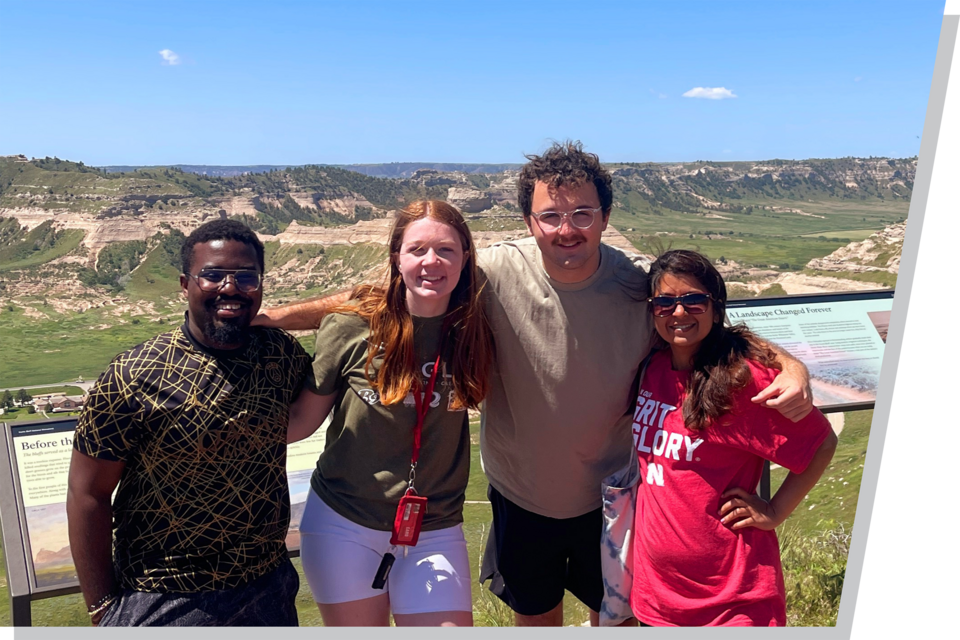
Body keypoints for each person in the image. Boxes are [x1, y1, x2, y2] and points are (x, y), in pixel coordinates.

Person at [253, 141, 814, 627]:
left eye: (582, 213)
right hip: (521, 497)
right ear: (529, 220)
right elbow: (384, 295)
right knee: (534, 617)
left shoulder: (636, 287)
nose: (566, 228)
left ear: (606, 216)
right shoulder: (492, 272)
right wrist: (274, 317)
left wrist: (790, 365)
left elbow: (700, 323)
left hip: (614, 497)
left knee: (616, 619)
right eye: (551, 215)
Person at [66, 219, 316, 626]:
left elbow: (365, 309)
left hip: (268, 585)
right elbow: (87, 494)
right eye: (213, 276)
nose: (230, 288)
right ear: (185, 284)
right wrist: (101, 608)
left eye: (246, 278)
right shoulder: (133, 376)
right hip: (164, 593)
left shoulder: (281, 355)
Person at [285, 200, 493, 626]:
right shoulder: (352, 326)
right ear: (397, 257)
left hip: (434, 527)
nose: (431, 261)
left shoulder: (476, 325)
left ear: (465, 257)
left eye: (446, 250)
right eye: (417, 249)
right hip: (344, 522)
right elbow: (302, 422)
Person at [630, 250, 837, 626]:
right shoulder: (653, 365)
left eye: (693, 300)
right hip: (656, 598)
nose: (678, 313)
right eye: (664, 303)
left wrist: (775, 511)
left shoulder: (741, 381)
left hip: (731, 601)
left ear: (715, 305)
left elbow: (821, 442)